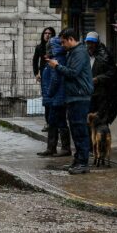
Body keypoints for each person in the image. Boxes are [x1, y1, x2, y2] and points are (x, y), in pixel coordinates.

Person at [48, 29, 94, 174]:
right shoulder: (73, 52)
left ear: (70, 39)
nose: (62, 45)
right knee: (75, 130)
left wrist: (57, 66)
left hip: (80, 96)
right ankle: (78, 160)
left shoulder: (79, 52)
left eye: (63, 42)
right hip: (74, 96)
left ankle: (83, 162)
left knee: (80, 131)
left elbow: (73, 72)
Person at [37, 36, 71, 157]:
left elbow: (55, 79)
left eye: (49, 48)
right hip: (56, 97)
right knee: (53, 121)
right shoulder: (58, 58)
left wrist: (49, 93)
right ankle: (52, 147)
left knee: (59, 121)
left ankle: (63, 148)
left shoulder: (57, 60)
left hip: (57, 96)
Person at [85, 32, 117, 128]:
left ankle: (102, 141)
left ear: (97, 43)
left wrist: (98, 79)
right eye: (88, 43)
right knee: (89, 120)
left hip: (102, 94)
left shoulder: (104, 55)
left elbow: (112, 74)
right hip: (89, 93)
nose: (90, 45)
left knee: (101, 121)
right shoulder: (85, 55)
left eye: (92, 43)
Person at [33, 27, 56, 131]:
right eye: (45, 33)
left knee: (55, 100)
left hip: (54, 74)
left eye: (50, 33)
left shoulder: (56, 47)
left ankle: (55, 122)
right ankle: (48, 122)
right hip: (44, 76)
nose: (47, 35)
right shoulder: (39, 47)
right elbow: (34, 61)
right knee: (46, 100)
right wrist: (36, 73)